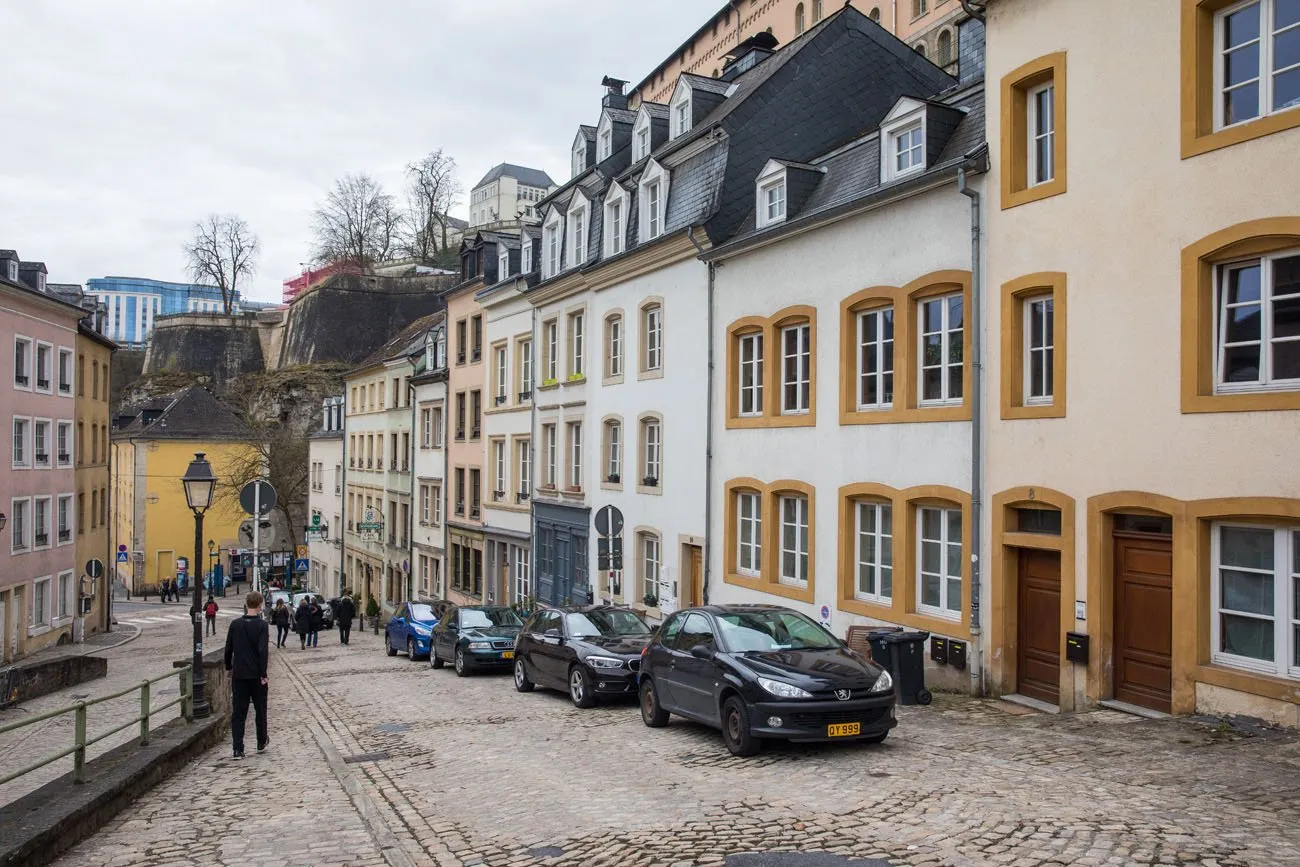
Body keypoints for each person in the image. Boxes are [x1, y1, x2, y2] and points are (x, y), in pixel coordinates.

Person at [223, 590, 269, 759]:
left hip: (240, 674)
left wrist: (229, 667)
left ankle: (237, 748)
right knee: (260, 709)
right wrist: (263, 673)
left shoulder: (235, 624)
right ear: (260, 604)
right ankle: (261, 740)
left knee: (239, 713)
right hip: (257, 675)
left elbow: (228, 649)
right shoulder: (262, 626)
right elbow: (263, 650)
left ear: (246, 604)